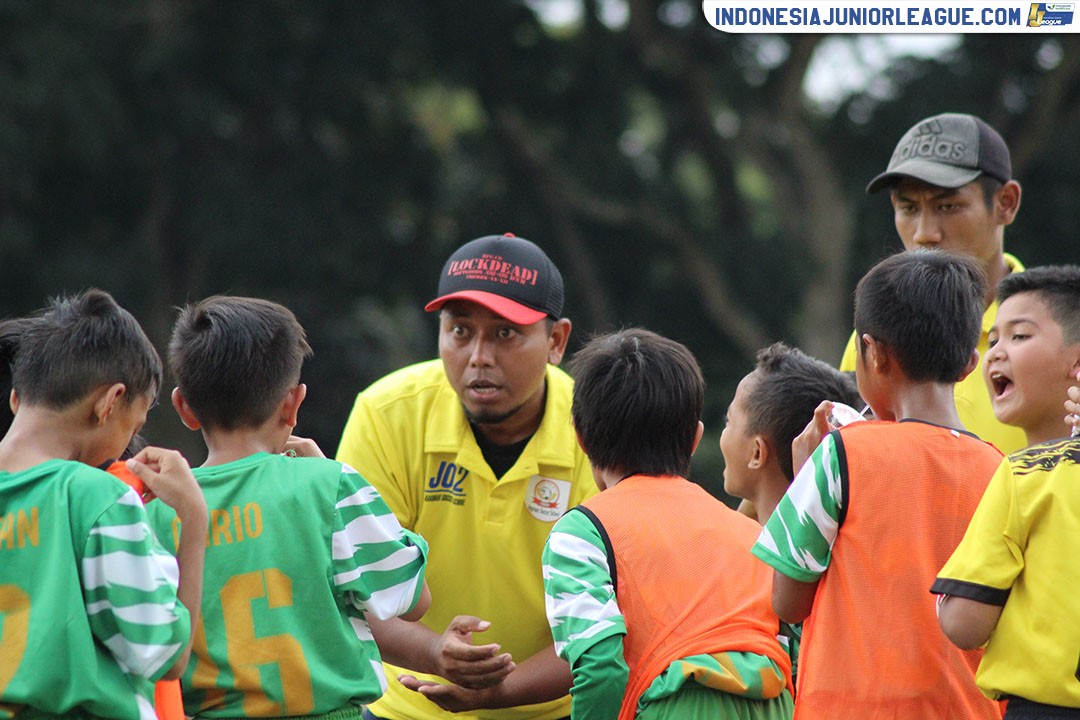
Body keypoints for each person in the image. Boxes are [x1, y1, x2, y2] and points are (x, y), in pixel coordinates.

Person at [336, 233, 596, 720]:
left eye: (505, 333)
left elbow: (612, 616)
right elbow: (358, 590)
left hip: (551, 711)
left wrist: (503, 690)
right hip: (407, 708)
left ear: (556, 341)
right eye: (460, 331)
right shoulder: (386, 414)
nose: (478, 356)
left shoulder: (594, 426)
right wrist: (436, 653)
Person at [146, 295, 430, 717]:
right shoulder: (329, 485)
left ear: (184, 407)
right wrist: (329, 475)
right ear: (293, 403)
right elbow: (412, 599)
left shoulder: (156, 507)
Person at [752, 251, 1004, 719]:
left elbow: (788, 601)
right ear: (970, 363)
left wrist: (804, 478)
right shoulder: (1000, 470)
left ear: (873, 352)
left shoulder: (841, 454)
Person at [542, 328, 794, 720]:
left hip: (672, 703)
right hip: (776, 705)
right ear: (695, 438)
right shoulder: (753, 535)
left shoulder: (582, 532)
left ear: (581, 438)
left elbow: (600, 669)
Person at [0, 289, 207, 720]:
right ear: (110, 402)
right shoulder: (97, 497)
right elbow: (165, 656)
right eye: (136, 422)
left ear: (17, 397)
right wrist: (194, 519)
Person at [932, 265, 1080, 717]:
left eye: (1018, 337)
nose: (995, 353)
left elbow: (964, 622)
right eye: (992, 338)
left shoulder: (1023, 474)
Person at [840, 112, 1027, 454]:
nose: (925, 233)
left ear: (1006, 203)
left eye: (948, 206)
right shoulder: (871, 336)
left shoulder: (1059, 333)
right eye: (909, 208)